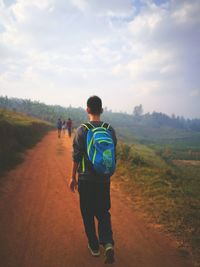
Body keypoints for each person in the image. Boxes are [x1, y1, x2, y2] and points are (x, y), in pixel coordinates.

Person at [69, 96, 117, 264]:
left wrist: (72, 177)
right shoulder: (109, 129)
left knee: (87, 212)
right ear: (101, 110)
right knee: (103, 211)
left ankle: (94, 247)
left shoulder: (82, 130)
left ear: (88, 109)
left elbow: (76, 156)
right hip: (103, 178)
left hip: (86, 179)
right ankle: (108, 243)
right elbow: (112, 154)